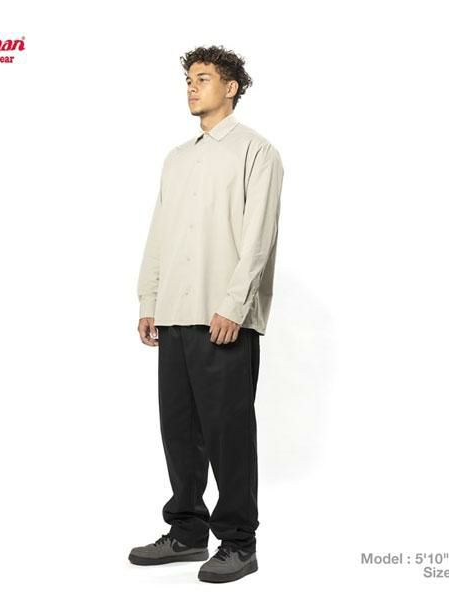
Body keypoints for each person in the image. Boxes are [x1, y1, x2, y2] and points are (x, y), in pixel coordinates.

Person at [129, 45, 284, 584]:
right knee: (179, 430)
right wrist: (149, 300)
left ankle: (239, 543)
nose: (192, 87)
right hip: (175, 312)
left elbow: (259, 238)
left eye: (203, 78)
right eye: (188, 79)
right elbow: (160, 233)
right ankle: (187, 532)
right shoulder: (177, 158)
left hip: (223, 316)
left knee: (228, 434)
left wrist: (234, 305)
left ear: (231, 87)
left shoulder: (256, 152)